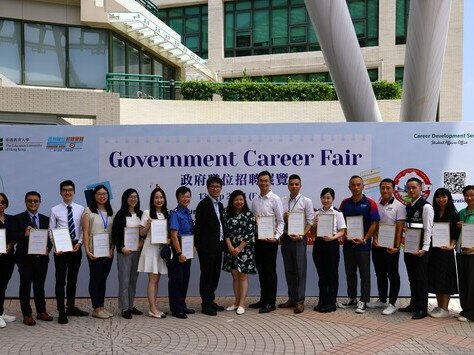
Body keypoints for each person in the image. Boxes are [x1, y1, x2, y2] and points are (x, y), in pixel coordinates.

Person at [338, 175, 380, 314]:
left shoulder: (370, 203)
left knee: (364, 274)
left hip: (364, 245)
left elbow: (374, 223)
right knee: (350, 273)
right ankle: (352, 298)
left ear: (363, 186)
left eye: (358, 185)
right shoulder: (344, 203)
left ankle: (363, 300)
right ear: (349, 187)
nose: (356, 187)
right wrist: (342, 235)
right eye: (353, 185)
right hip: (348, 245)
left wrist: (366, 238)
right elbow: (339, 222)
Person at [49, 180, 88, 324]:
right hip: (61, 248)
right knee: (60, 280)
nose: (67, 192)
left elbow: (83, 229)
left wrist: (80, 243)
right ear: (60, 192)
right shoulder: (55, 210)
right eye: (64, 190)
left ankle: (70, 307)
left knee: (73, 280)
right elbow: (51, 231)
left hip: (75, 247)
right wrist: (56, 246)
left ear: (74, 192)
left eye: (70, 190)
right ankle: (61, 311)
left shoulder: (80, 208)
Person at [13, 191, 53, 326]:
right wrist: (24, 234)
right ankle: (27, 314)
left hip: (41, 260)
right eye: (29, 201)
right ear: (25, 202)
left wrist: (48, 248)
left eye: (35, 201)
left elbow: (51, 238)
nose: (33, 203)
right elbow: (13, 237)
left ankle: (41, 311)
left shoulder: (46, 219)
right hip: (25, 260)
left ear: (40, 202)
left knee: (39, 286)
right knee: (25, 287)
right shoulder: (17, 218)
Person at [369, 178, 406, 315]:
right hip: (378, 245)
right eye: (382, 188)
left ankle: (392, 303)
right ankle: (382, 299)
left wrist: (396, 247)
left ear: (393, 189)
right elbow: (375, 225)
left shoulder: (399, 206)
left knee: (393, 274)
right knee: (380, 274)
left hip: (392, 247)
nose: (385, 190)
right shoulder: (376, 205)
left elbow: (399, 228)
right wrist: (375, 239)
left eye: (388, 188)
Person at [249, 171, 284, 314]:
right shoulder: (255, 200)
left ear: (270, 182)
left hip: (271, 241)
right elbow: (253, 220)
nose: (263, 183)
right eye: (261, 181)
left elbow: (281, 221)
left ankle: (271, 302)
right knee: (262, 270)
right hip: (258, 240)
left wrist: (276, 237)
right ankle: (263, 299)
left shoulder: (275, 199)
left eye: (266, 181)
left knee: (270, 271)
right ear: (257, 182)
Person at [279, 174, 314, 314]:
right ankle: (291, 298)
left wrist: (302, 234)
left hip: (299, 239)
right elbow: (278, 218)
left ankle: (300, 301)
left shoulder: (306, 201)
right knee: (289, 270)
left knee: (300, 270)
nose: (294, 186)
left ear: (300, 186)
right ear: (288, 186)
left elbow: (310, 221)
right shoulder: (282, 200)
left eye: (296, 184)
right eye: (291, 184)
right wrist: (283, 216)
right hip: (286, 238)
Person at [399, 177, 434, 320]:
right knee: (412, 278)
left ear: (421, 189)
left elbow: (428, 229)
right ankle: (414, 304)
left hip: (421, 250)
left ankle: (422, 309)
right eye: (409, 188)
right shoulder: (408, 206)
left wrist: (425, 248)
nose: (411, 190)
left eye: (414, 187)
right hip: (409, 248)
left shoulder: (426, 207)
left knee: (421, 279)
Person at [82, 184, 115, 319]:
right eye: (99, 194)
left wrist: (112, 248)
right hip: (94, 251)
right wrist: (87, 250)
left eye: (105, 194)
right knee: (95, 278)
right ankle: (96, 308)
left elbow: (113, 233)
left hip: (108, 252)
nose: (102, 196)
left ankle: (101, 307)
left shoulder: (111, 212)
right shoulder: (88, 211)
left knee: (103, 279)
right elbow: (85, 232)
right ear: (94, 196)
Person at [194, 176, 225, 316]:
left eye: (218, 186)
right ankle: (205, 304)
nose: (215, 189)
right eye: (212, 186)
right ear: (208, 188)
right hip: (207, 248)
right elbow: (198, 228)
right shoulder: (203, 205)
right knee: (207, 275)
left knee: (215, 274)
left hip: (219, 245)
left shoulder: (220, 205)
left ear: (221, 188)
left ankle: (211, 300)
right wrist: (200, 247)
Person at [312, 187, 346, 313]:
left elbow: (342, 231)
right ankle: (322, 301)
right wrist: (315, 224)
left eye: (328, 198)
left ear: (333, 199)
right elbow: (312, 232)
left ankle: (331, 303)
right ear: (320, 198)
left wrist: (332, 238)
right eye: (323, 197)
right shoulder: (317, 213)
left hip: (332, 245)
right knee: (322, 275)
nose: (325, 200)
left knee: (332, 274)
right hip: (319, 244)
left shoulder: (338, 213)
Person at [223, 190, 257, 315]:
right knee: (235, 276)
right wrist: (231, 247)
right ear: (232, 201)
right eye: (236, 200)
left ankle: (242, 303)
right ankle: (236, 302)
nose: (239, 202)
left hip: (244, 250)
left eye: (241, 200)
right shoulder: (226, 213)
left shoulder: (249, 214)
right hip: (230, 249)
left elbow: (250, 234)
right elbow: (225, 231)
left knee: (242, 276)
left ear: (244, 201)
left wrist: (239, 248)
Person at [112, 188, 144, 319]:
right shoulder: (120, 215)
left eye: (135, 196)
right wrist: (122, 247)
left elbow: (145, 232)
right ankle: (124, 308)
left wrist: (142, 242)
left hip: (137, 251)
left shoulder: (141, 214)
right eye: (130, 197)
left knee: (133, 280)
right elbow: (115, 235)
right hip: (124, 252)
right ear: (125, 199)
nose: (133, 199)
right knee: (124, 280)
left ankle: (131, 305)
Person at [428, 188, 459, 318]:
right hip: (434, 250)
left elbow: (456, 234)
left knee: (445, 278)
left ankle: (445, 309)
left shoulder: (453, 214)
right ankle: (440, 306)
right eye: (438, 197)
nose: (441, 199)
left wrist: (451, 246)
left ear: (448, 198)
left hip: (446, 252)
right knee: (437, 277)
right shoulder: (433, 212)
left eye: (444, 197)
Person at [138, 187, 168, 318]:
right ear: (152, 199)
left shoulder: (166, 213)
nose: (159, 200)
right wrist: (149, 225)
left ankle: (154, 306)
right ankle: (152, 308)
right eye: (156, 197)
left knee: (157, 280)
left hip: (161, 250)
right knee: (152, 279)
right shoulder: (147, 212)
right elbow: (141, 233)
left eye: (161, 197)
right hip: (150, 248)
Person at [168, 186, 195, 319]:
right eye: (183, 196)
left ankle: (182, 305)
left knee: (185, 280)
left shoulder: (187, 212)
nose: (186, 199)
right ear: (178, 198)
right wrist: (179, 254)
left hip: (187, 252)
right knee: (176, 280)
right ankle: (176, 309)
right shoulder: (175, 213)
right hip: (178, 252)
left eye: (188, 196)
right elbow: (174, 235)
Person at [457, 185, 474, 323]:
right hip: (461, 252)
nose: (469, 198)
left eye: (472, 195)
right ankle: (465, 309)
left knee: (472, 283)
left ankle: (472, 313)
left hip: (473, 253)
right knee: (463, 281)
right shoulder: (462, 212)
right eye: (466, 195)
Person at [0, 192, 16, 328]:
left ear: (6, 204)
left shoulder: (11, 219)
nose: (0, 204)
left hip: (9, 258)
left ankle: (1, 312)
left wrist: (10, 245)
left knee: (3, 285)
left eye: (2, 202)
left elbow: (15, 236)